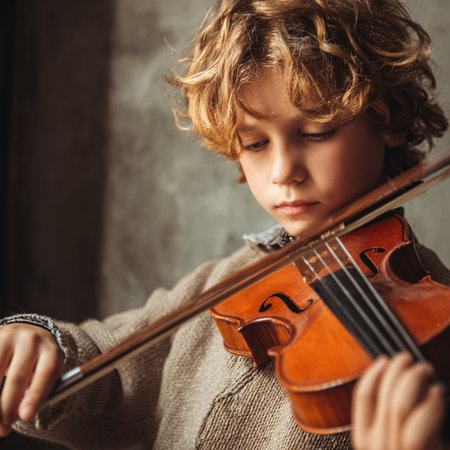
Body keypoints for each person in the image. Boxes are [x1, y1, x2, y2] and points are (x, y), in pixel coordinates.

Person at [0, 0, 449, 448]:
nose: (282, 171)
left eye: (316, 133)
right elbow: (105, 361)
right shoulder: (223, 285)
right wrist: (43, 343)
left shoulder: (438, 319)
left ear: (385, 119)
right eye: (255, 143)